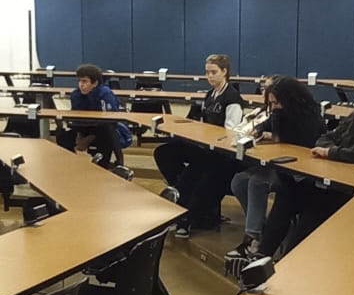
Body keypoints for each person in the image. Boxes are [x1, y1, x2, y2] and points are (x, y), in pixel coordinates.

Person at [260, 73, 354, 255]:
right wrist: (333, 150)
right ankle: (262, 255)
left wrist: (332, 152)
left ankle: (290, 256)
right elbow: (325, 138)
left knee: (314, 209)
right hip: (339, 186)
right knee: (288, 194)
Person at [227, 76, 322, 260]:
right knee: (239, 181)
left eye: (277, 103)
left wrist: (275, 127)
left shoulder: (310, 118)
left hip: (302, 175)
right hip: (282, 170)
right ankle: (260, 229)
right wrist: (258, 130)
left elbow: (286, 139)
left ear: (290, 100)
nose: (274, 107)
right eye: (271, 104)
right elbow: (267, 126)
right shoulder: (281, 113)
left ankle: (254, 239)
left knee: (258, 182)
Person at [154, 54, 248, 235]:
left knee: (195, 171)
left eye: (214, 72)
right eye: (207, 72)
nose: (209, 76)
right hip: (206, 146)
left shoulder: (232, 98)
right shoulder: (210, 95)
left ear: (224, 72)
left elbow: (231, 131)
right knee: (165, 152)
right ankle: (179, 193)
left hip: (222, 152)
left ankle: (185, 216)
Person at [55, 63, 132, 168]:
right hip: (83, 126)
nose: (81, 85)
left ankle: (117, 162)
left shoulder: (105, 94)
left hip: (103, 128)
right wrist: (79, 135)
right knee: (62, 132)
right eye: (79, 81)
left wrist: (88, 139)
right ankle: (71, 159)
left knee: (107, 130)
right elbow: (75, 116)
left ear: (95, 83)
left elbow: (111, 119)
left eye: (85, 81)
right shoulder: (75, 95)